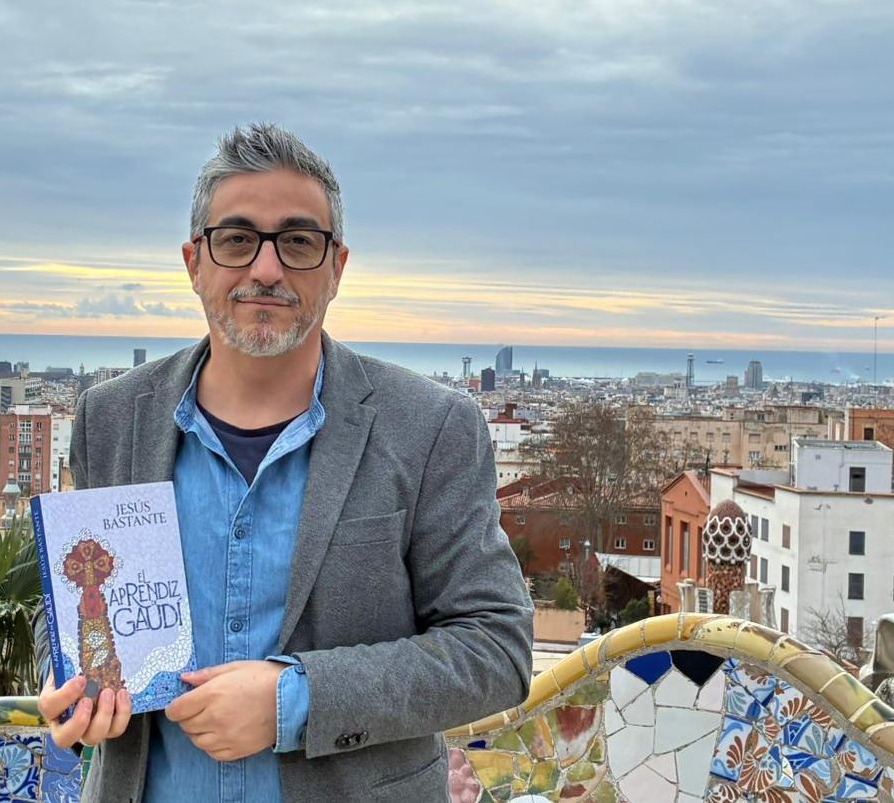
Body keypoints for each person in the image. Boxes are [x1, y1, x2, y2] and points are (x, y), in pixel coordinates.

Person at [38, 124, 532, 802]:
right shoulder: (113, 419)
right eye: (237, 239)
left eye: (298, 242)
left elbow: (495, 650)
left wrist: (293, 701)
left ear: (336, 267)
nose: (265, 269)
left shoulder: (429, 427)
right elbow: (64, 598)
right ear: (194, 263)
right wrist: (69, 681)